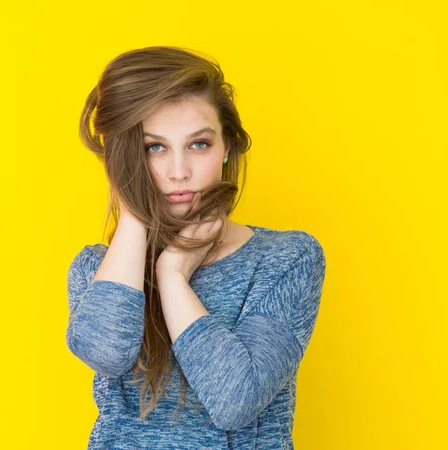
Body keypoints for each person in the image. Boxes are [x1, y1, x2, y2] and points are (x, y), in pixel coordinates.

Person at [66, 45, 327, 449]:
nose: (178, 172)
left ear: (227, 148)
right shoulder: (98, 270)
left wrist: (172, 275)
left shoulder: (286, 258)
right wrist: (134, 214)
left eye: (198, 144)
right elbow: (108, 353)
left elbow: (236, 401)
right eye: (154, 148)